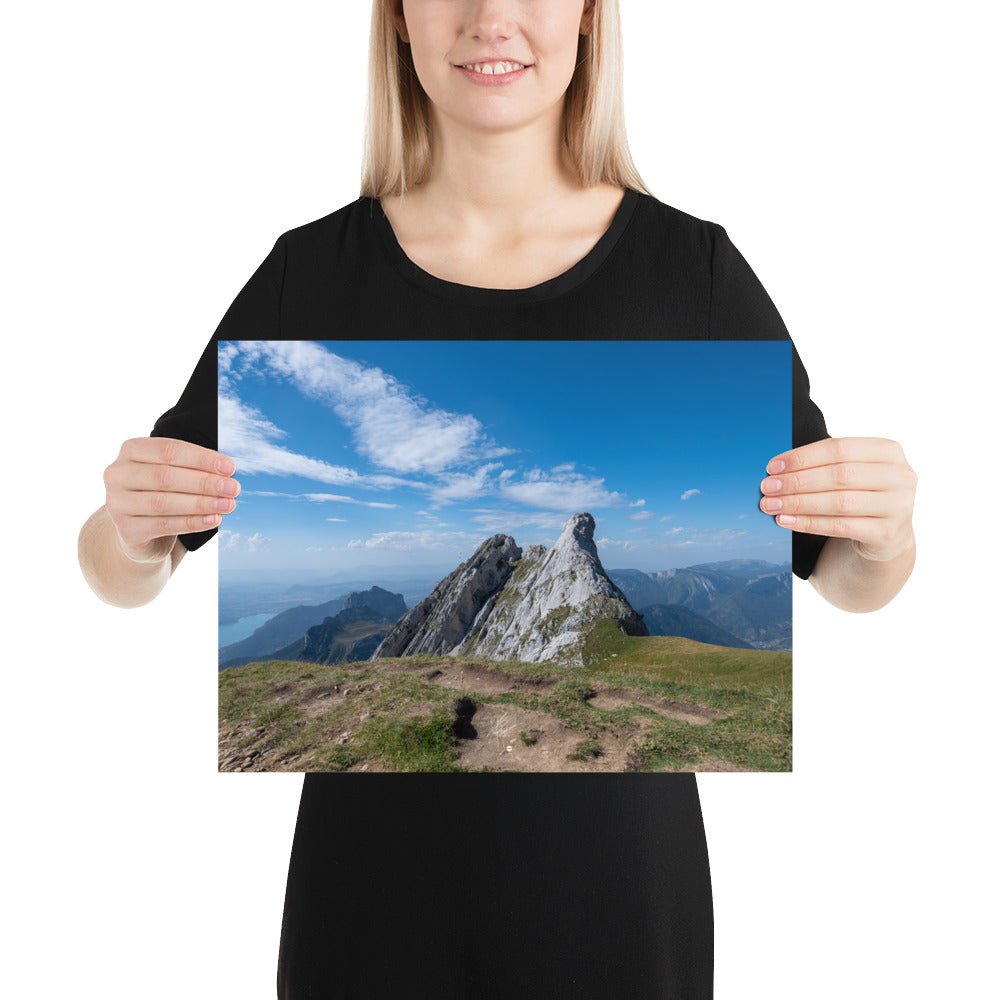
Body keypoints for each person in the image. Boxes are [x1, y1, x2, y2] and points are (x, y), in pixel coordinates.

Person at [77, 1, 917, 996]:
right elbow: (121, 569)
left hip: (619, 906)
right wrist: (130, 533)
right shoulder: (309, 273)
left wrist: (885, 532)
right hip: (370, 905)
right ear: (396, 19)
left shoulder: (694, 272)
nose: (491, 18)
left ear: (591, 18)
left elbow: (845, 577)